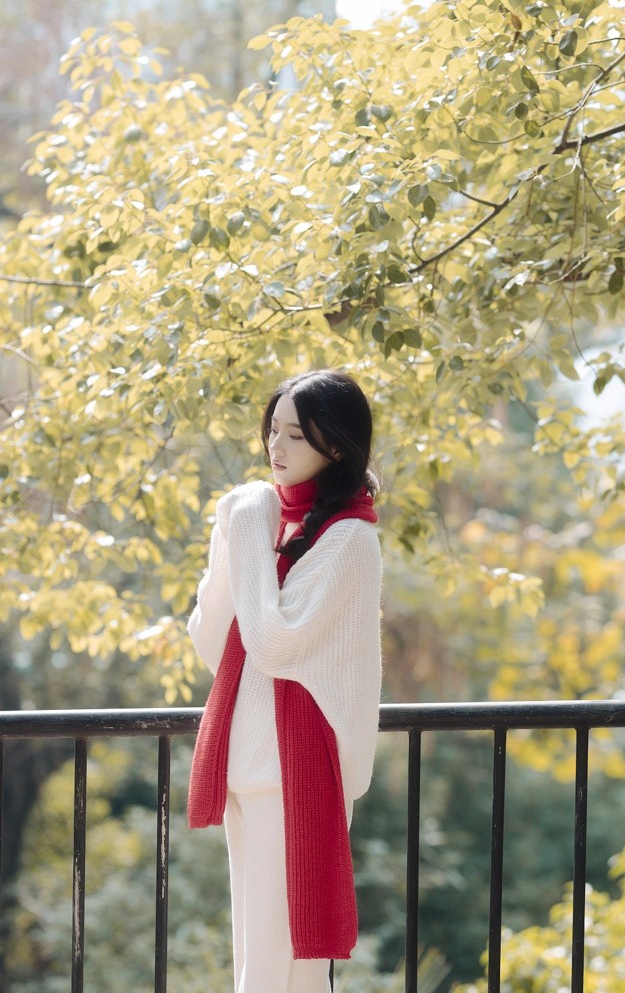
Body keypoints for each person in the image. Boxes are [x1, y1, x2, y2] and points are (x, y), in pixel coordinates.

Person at [187, 369, 382, 993]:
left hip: (294, 771)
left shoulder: (348, 539)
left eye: (296, 435)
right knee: (267, 962)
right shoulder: (272, 520)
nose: (276, 446)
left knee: (277, 968)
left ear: (336, 447)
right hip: (246, 765)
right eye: (273, 430)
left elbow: (272, 644)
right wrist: (234, 531)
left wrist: (249, 527)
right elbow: (210, 641)